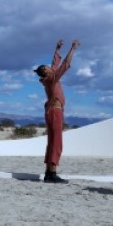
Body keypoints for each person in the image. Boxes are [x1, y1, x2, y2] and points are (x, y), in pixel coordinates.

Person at [35, 39, 80, 184]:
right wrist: (72, 49)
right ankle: (52, 173)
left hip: (52, 111)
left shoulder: (49, 77)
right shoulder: (51, 78)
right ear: (46, 71)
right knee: (56, 142)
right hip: (55, 111)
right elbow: (64, 65)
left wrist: (57, 50)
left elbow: (55, 65)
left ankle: (49, 172)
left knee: (52, 141)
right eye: (48, 67)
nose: (51, 67)